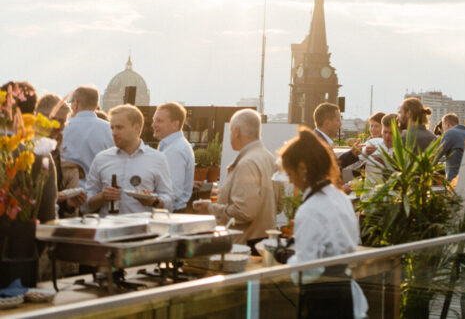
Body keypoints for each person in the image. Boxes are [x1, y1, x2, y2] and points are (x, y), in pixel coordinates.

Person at [279, 128, 367, 318]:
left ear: (302, 168)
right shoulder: (341, 199)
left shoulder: (310, 210)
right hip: (346, 294)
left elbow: (308, 271)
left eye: (289, 172)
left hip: (323, 302)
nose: (289, 180)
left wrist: (288, 259)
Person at [194, 109, 277, 248]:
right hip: (262, 244)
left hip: (244, 247)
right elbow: (278, 205)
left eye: (230, 131)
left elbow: (244, 212)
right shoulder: (269, 158)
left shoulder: (247, 163)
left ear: (237, 131)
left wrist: (210, 208)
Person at [85, 105, 174, 215]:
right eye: (112, 128)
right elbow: (86, 203)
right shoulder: (101, 158)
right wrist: (102, 196)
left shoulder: (157, 159)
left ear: (136, 128)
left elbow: (169, 201)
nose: (114, 132)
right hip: (109, 228)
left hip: (142, 228)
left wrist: (153, 201)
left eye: (119, 127)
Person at [35, 93, 88, 218]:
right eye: (57, 121)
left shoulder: (54, 149)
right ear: (41, 118)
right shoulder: (28, 147)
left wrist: (68, 204)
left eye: (64, 122)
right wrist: (56, 198)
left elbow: (53, 191)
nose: (61, 127)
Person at [61, 85, 114, 177]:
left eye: (71, 102)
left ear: (76, 103)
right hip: (101, 188)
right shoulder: (110, 129)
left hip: (70, 187)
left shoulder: (63, 128)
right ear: (97, 105)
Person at [151, 102, 195, 212]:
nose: (153, 125)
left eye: (159, 121)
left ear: (175, 124)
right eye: (154, 120)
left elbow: (173, 191)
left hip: (171, 214)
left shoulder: (175, 150)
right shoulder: (173, 146)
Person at [312, 103, 370, 177]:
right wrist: (340, 187)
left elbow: (333, 165)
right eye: (338, 120)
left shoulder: (319, 140)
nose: (340, 124)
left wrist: (352, 153)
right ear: (327, 123)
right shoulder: (318, 144)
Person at [439, 113, 465, 180]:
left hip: (454, 179)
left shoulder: (450, 133)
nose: (442, 129)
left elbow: (438, 154)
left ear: (447, 124)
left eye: (442, 125)